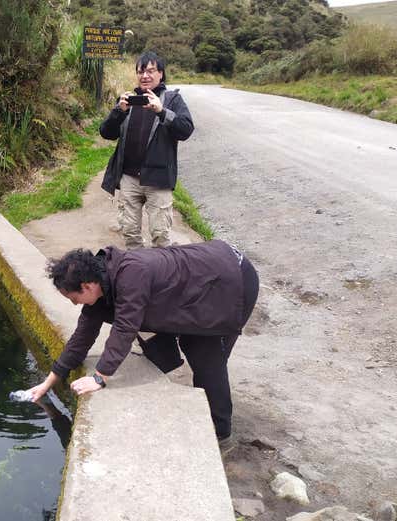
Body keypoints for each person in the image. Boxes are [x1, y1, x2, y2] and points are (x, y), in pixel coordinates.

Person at [28, 240, 259, 449]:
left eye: (73, 298)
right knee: (192, 343)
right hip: (198, 283)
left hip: (231, 278)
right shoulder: (102, 282)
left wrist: (100, 377)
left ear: (86, 286)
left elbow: (125, 328)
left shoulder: (131, 274)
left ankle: (220, 435)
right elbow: (82, 336)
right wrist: (49, 382)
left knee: (205, 354)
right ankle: (203, 412)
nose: (74, 304)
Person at [100, 51, 194, 249]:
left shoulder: (172, 100)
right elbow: (106, 133)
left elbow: (185, 130)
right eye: (141, 71)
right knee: (130, 232)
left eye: (151, 71)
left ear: (161, 74)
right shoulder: (128, 101)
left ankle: (162, 275)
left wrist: (162, 111)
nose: (145, 76)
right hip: (129, 178)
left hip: (158, 179)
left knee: (160, 235)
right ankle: (138, 272)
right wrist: (118, 111)